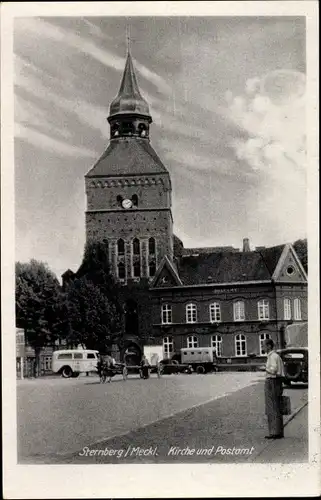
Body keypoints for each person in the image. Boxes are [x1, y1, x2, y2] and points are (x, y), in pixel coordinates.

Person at [264, 338, 285, 439]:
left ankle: (274, 432)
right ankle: (279, 431)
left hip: (272, 382)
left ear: (269, 346)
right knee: (277, 407)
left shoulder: (272, 357)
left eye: (264, 345)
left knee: (271, 407)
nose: (263, 347)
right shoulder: (277, 356)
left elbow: (273, 369)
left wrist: (265, 369)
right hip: (277, 382)